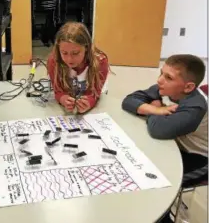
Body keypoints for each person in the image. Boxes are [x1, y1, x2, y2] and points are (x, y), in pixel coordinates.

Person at [121, 54, 207, 223]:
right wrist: (156, 110)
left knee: (155, 186)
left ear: (188, 87)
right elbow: (129, 100)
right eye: (161, 73)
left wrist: (154, 107)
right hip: (172, 146)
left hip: (198, 159)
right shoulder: (167, 88)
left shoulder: (196, 107)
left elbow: (158, 130)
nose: (159, 80)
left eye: (168, 77)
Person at [47, 22, 109, 113]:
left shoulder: (100, 61)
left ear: (86, 47)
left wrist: (90, 101)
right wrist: (63, 99)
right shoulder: (53, 61)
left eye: (75, 53)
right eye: (64, 53)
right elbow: (58, 91)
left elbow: (95, 93)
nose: (69, 59)